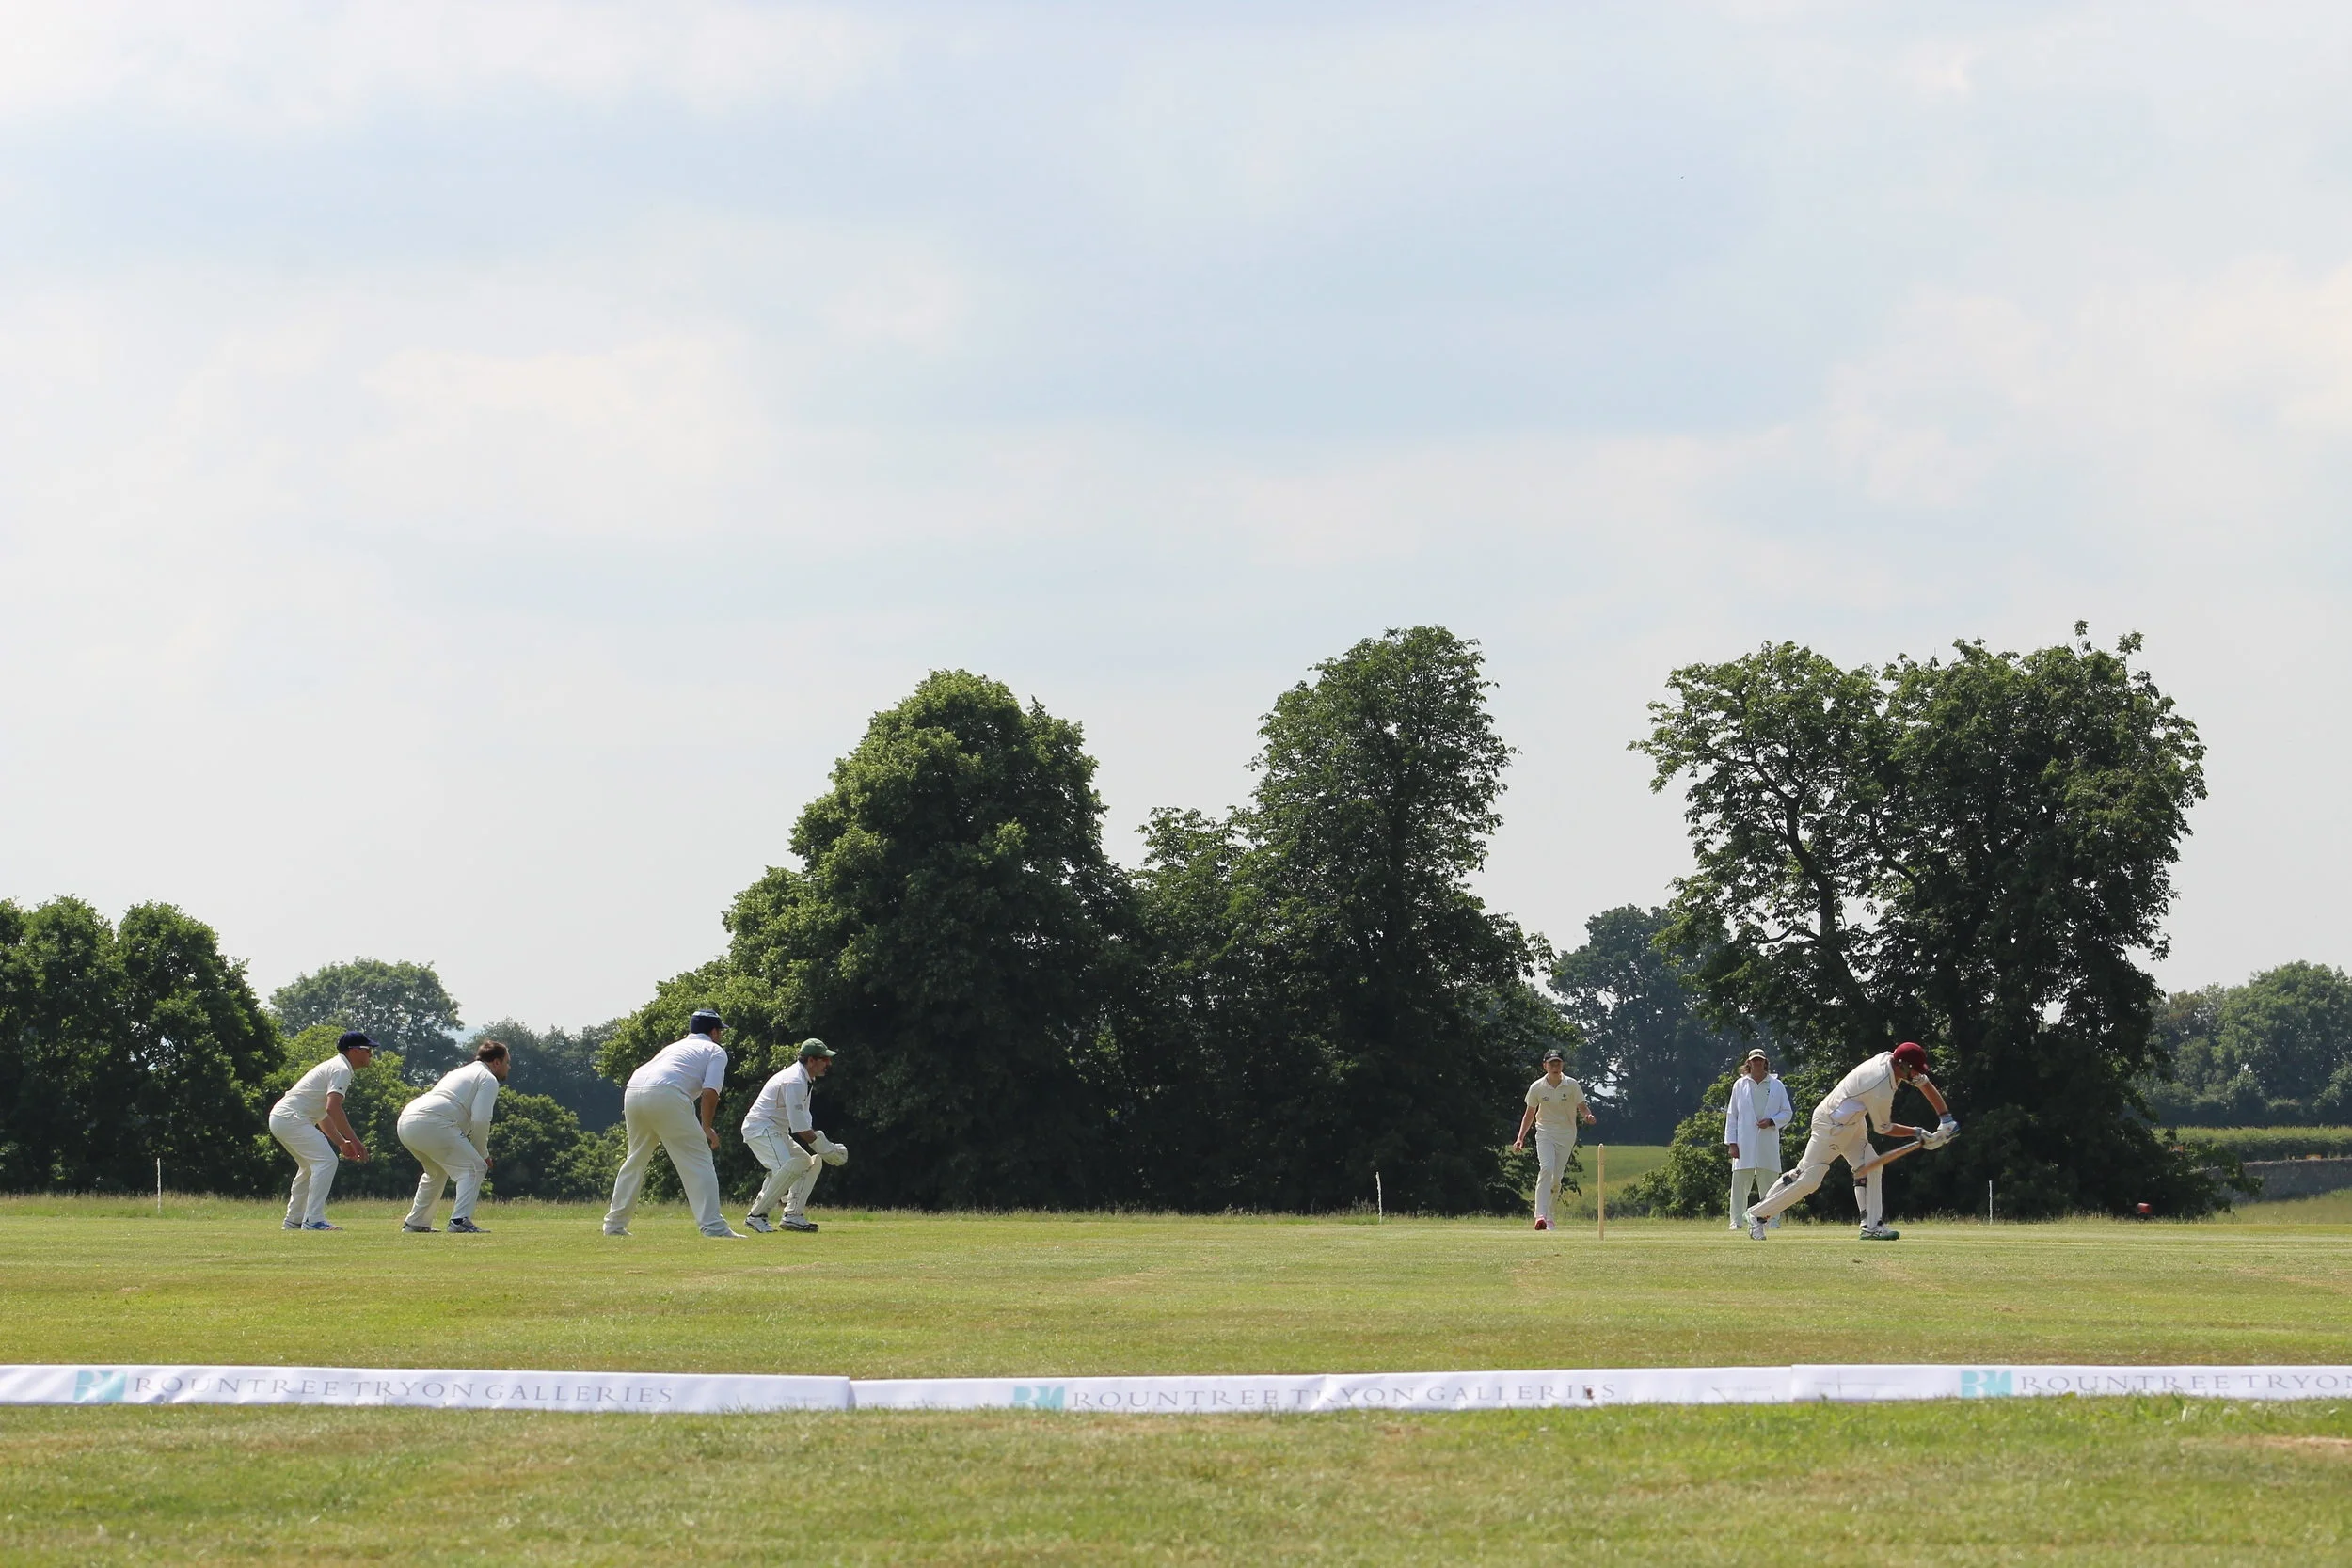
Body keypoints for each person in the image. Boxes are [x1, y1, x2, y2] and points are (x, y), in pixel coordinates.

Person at [1743, 1040, 1957, 1242]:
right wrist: (1918, 1132)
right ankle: (1757, 1214)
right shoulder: (1880, 1084)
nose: (1918, 1073)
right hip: (1832, 1124)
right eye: (1915, 1069)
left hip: (1851, 1121)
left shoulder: (1892, 1060)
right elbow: (1885, 1128)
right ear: (1902, 1065)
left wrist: (1946, 1119)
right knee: (1809, 1178)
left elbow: (1924, 1083)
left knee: (1871, 1165)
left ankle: (1871, 1227)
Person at [602, 1008, 743, 1239]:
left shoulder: (672, 1047)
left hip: (633, 1091)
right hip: (666, 1093)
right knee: (699, 1161)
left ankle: (614, 1226)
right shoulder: (715, 1051)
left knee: (635, 1160)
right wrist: (706, 1127)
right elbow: (710, 1092)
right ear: (714, 1032)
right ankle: (714, 1228)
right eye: (720, 1032)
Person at [398, 1039, 510, 1234]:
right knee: (475, 1167)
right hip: (432, 1121)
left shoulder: (460, 1072)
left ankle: (415, 1223)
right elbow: (481, 1120)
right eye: (507, 1062)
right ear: (496, 1062)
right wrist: (482, 1153)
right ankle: (460, 1222)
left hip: (407, 1119)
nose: (509, 1067)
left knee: (436, 1172)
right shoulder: (488, 1078)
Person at [268, 1031, 373, 1231]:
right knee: (326, 1161)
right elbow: (333, 1108)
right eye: (368, 1050)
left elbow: (322, 1115)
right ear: (354, 1051)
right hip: (291, 1118)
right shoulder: (341, 1068)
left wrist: (342, 1142)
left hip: (284, 1118)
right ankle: (313, 1220)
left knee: (309, 1167)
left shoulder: (338, 1066)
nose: (371, 1055)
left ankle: (294, 1220)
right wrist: (356, 1141)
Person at [740, 1039, 847, 1234]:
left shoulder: (806, 1080)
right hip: (760, 1128)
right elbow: (800, 1130)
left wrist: (825, 1146)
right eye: (824, 1059)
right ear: (811, 1060)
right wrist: (828, 1150)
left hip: (775, 1130)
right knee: (786, 1169)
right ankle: (756, 1216)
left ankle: (792, 1216)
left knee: (807, 1163)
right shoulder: (795, 1080)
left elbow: (805, 1123)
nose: (828, 1064)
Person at [1511, 1048, 1596, 1231]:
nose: (1555, 1067)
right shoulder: (1537, 1087)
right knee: (1546, 1168)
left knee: (1557, 1178)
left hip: (1566, 1134)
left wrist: (1587, 1116)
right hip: (1545, 1132)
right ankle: (1539, 1216)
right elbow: (1529, 1115)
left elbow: (1582, 1107)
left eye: (1558, 1063)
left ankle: (1550, 1217)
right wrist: (1520, 1138)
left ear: (1562, 1065)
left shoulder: (1572, 1085)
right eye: (1552, 1064)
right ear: (1545, 1066)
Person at [1724, 1048, 1794, 1233]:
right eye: (1754, 1061)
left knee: (1770, 1183)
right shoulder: (1740, 1085)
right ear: (1749, 1063)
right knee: (1739, 1183)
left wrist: (1772, 1121)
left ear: (1765, 1063)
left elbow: (1787, 1113)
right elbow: (1732, 1115)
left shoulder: (1777, 1085)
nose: (1757, 1063)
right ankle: (1736, 1220)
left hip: (1767, 1140)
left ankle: (1772, 1220)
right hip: (1744, 1141)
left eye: (1760, 1060)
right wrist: (1732, 1143)